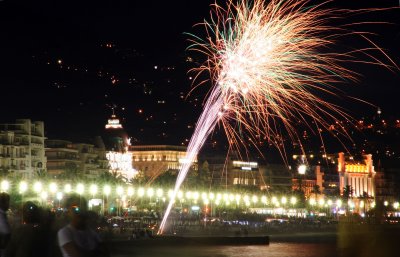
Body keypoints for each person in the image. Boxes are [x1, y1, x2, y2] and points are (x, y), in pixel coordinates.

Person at [0, 193, 10, 257]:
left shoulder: (3, 214)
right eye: (7, 201)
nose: (9, 204)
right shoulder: (1, 215)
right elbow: (6, 232)